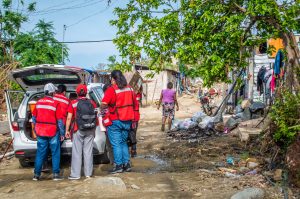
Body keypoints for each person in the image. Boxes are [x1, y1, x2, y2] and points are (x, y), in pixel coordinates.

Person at [101, 70, 138, 174]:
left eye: (111, 79)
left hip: (115, 120)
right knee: (123, 143)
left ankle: (118, 166)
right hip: (128, 120)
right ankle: (126, 164)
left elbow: (104, 104)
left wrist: (102, 110)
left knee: (116, 144)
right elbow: (135, 104)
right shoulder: (130, 89)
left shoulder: (112, 90)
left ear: (113, 79)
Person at [32, 83, 64, 181]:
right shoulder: (56, 103)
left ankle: (36, 175)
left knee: (40, 153)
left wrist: (34, 130)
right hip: (52, 131)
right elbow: (59, 121)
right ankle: (56, 174)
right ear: (52, 92)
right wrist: (62, 133)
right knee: (55, 152)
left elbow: (33, 118)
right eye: (54, 91)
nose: (55, 93)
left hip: (40, 131)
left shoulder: (38, 102)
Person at [65, 84, 98, 180]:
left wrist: (67, 130)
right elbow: (96, 116)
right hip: (91, 129)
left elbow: (69, 118)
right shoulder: (92, 102)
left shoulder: (73, 103)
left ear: (77, 93)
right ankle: (88, 174)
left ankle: (76, 175)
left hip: (78, 129)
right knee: (88, 152)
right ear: (86, 92)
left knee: (77, 152)